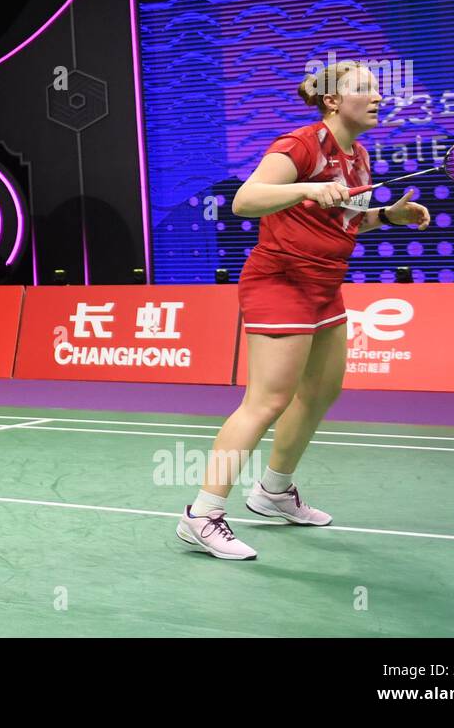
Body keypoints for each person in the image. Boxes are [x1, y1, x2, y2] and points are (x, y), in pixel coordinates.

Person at [176, 60, 430, 560]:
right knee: (266, 401)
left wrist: (389, 216)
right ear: (333, 101)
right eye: (364, 89)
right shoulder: (300, 145)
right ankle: (201, 515)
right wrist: (307, 187)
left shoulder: (357, 156)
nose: (378, 98)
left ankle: (273, 492)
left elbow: (345, 221)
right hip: (281, 281)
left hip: (324, 284)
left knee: (319, 393)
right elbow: (245, 202)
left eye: (378, 90)